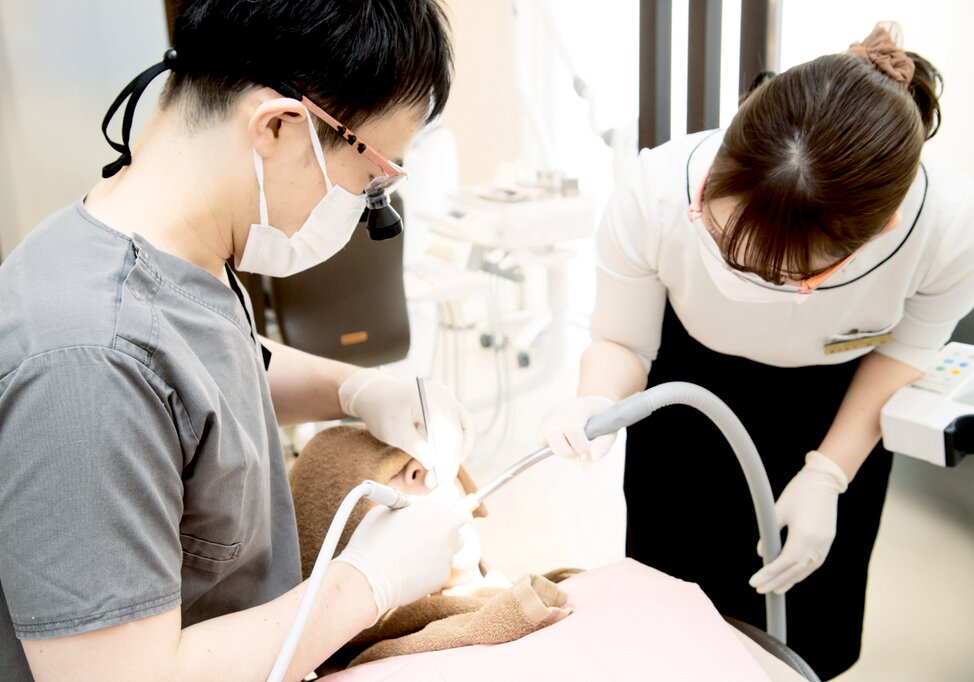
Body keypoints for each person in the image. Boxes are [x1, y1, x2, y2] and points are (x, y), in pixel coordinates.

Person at [0, 1, 476, 680]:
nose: (367, 204)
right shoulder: (84, 360)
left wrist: (357, 388)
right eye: (370, 182)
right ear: (280, 127)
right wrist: (367, 583)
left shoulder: (179, 252)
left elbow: (196, 377)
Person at [540, 22, 974, 680]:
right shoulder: (656, 190)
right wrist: (596, 401)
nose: (736, 273)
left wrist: (829, 474)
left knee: (805, 638)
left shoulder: (944, 233)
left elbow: (903, 353)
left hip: (837, 410)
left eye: (777, 273)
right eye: (716, 231)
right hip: (686, 397)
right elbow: (622, 340)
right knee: (664, 628)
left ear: (876, 234)